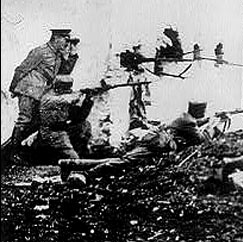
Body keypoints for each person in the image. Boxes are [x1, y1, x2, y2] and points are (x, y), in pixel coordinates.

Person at [58, 102, 209, 180]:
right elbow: (200, 139)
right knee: (125, 162)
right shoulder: (189, 122)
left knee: (121, 160)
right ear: (199, 111)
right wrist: (211, 124)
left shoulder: (184, 117)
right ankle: (86, 176)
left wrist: (203, 122)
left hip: (154, 142)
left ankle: (71, 164)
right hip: (157, 145)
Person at [3, 29, 73, 164]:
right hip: (28, 91)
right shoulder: (40, 51)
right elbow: (21, 68)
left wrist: (72, 56)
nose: (66, 43)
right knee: (25, 120)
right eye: (65, 39)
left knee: (36, 122)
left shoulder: (57, 56)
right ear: (56, 38)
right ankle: (13, 153)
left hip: (40, 94)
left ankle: (20, 151)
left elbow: (63, 71)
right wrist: (13, 87)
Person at [36, 75, 95, 161]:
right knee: (73, 158)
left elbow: (79, 117)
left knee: (84, 125)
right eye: (65, 88)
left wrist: (88, 100)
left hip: (63, 129)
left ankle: (83, 152)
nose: (68, 90)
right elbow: (68, 99)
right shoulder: (48, 98)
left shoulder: (65, 97)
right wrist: (80, 93)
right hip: (51, 132)